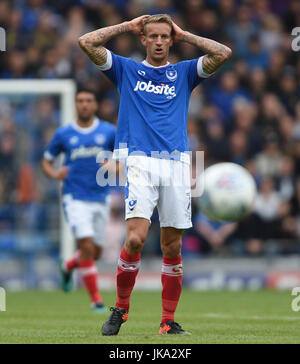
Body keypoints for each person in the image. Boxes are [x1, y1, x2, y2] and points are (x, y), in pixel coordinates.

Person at [79, 14, 232, 335]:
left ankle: (167, 321)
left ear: (171, 39)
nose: (160, 41)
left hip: (176, 163)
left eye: (165, 36)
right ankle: (120, 309)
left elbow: (223, 53)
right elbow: (86, 42)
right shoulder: (126, 70)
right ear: (144, 40)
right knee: (135, 238)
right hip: (139, 161)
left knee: (172, 247)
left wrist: (185, 33)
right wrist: (125, 26)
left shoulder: (185, 73)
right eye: (154, 36)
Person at [42, 89, 116, 312]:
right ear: (75, 105)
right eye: (81, 101)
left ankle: (67, 266)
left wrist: (116, 166)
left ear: (95, 105)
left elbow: (123, 157)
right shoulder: (64, 133)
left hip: (100, 196)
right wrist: (55, 175)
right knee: (85, 244)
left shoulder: (109, 132)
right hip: (74, 197)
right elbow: (46, 161)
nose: (84, 104)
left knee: (96, 251)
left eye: (89, 100)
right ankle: (97, 301)